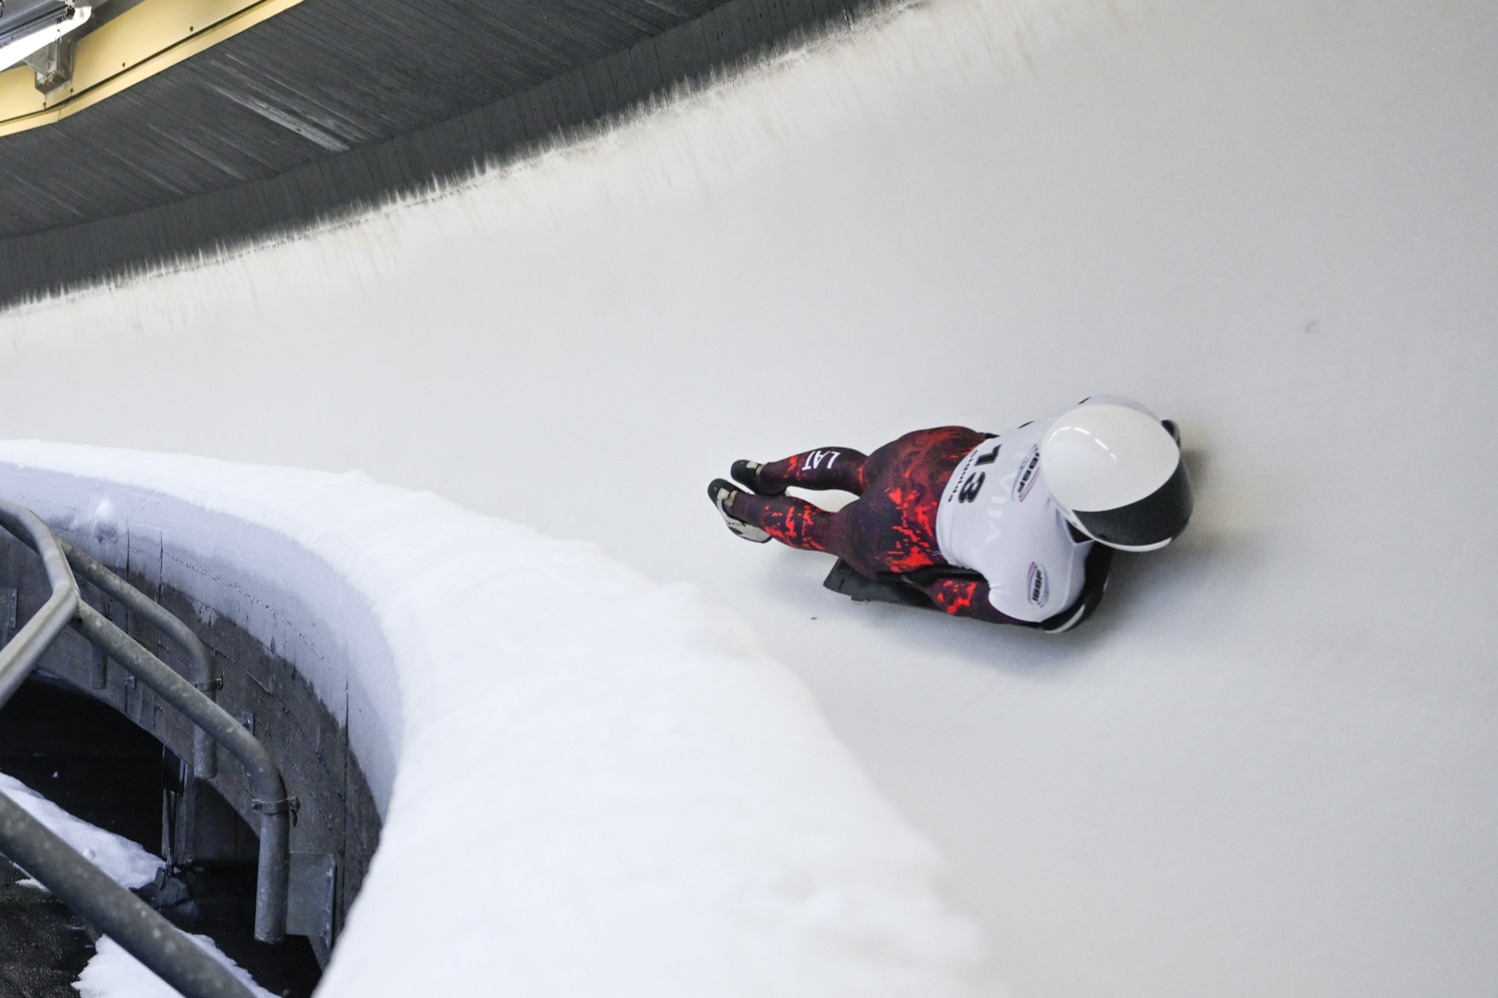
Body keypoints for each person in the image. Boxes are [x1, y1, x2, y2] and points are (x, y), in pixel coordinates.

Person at [707, 396, 1191, 632]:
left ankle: (765, 472)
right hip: (898, 525)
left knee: (861, 468)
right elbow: (949, 595)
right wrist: (917, 577)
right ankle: (741, 507)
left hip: (933, 450)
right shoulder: (1044, 580)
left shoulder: (1102, 413)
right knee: (832, 531)